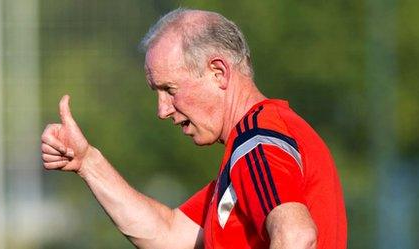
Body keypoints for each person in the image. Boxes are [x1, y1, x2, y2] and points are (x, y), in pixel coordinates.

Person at [41, 8, 347, 249]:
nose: (162, 110)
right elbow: (168, 233)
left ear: (218, 73)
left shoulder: (257, 140)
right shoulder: (247, 154)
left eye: (169, 89)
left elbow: (296, 237)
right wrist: (88, 162)